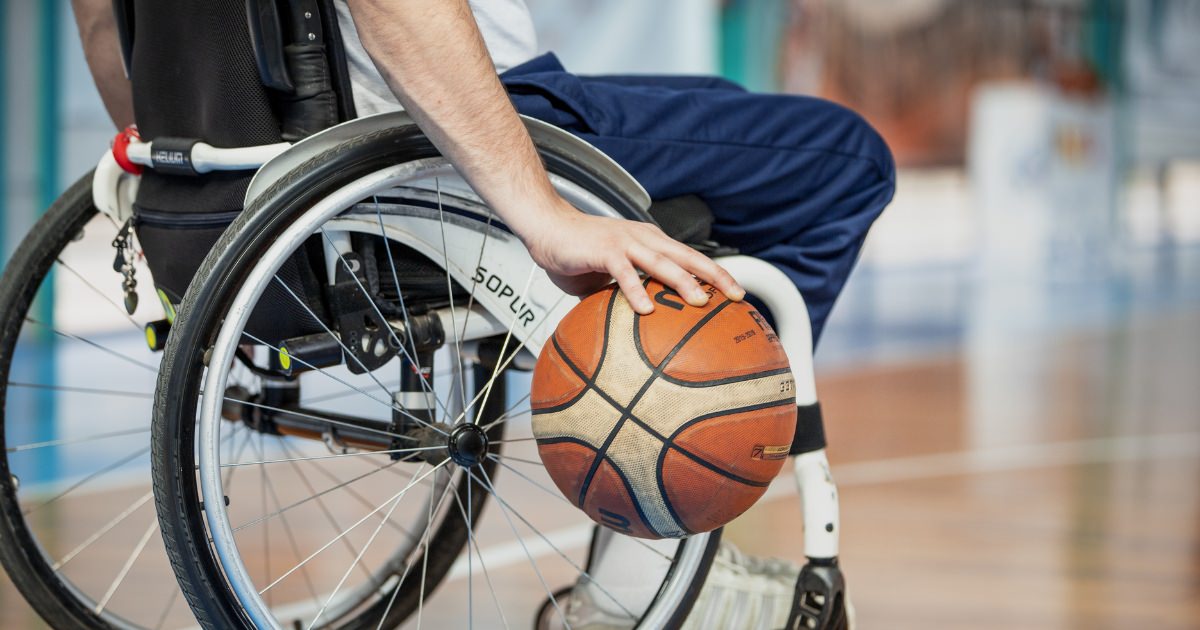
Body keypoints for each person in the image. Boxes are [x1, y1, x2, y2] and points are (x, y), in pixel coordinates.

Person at [71, 0, 894, 627]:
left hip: (244, 163)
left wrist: (185, 176)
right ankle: (646, 560)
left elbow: (105, 24)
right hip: (453, 121)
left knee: (720, 104)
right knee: (843, 162)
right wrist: (546, 218)